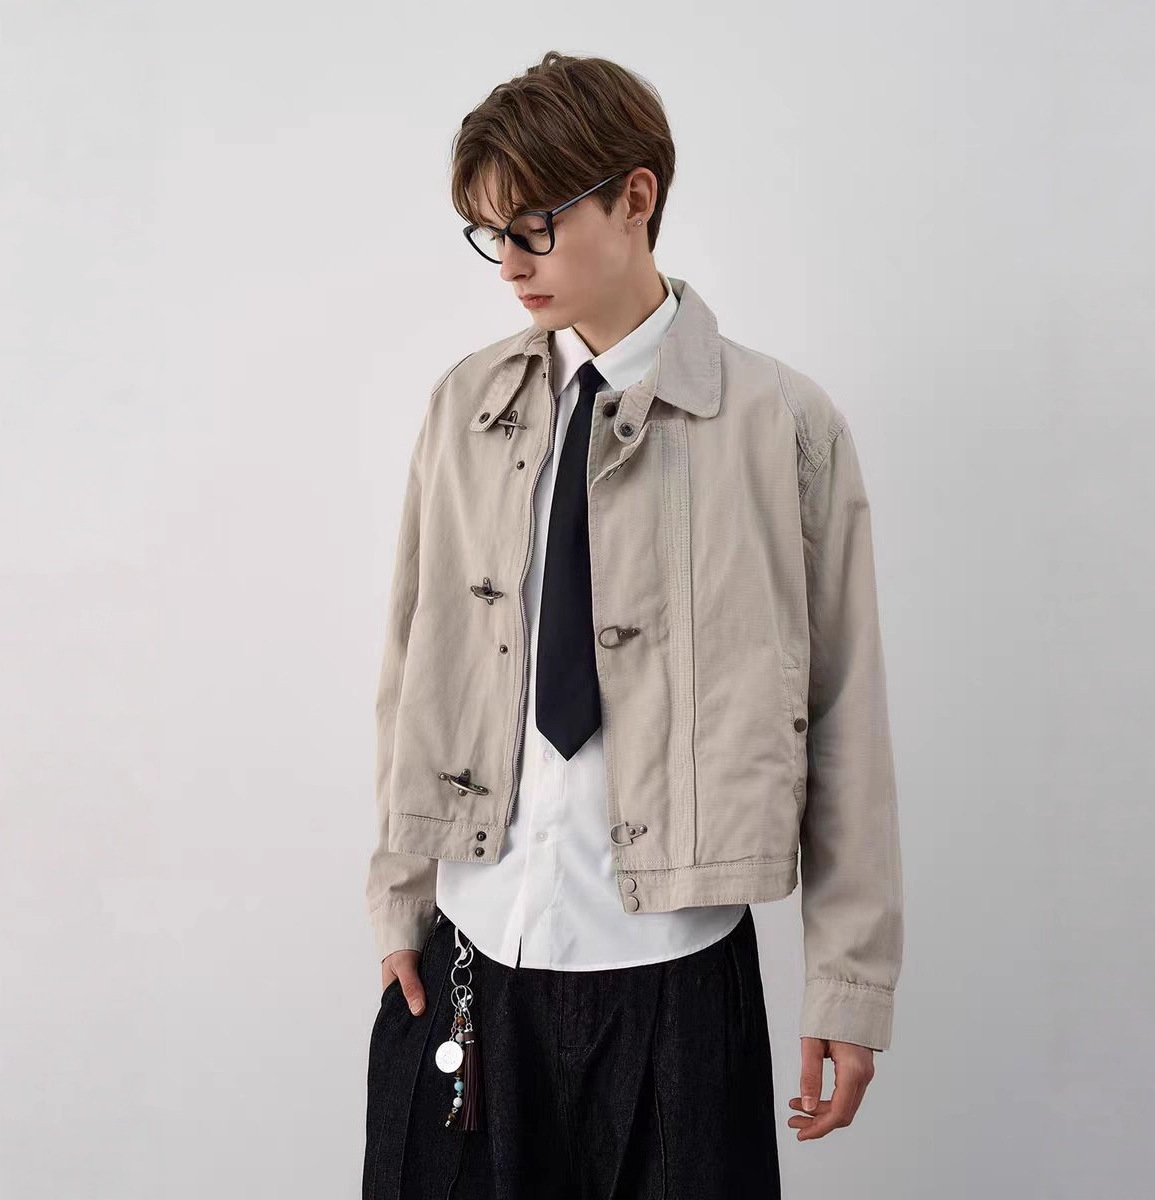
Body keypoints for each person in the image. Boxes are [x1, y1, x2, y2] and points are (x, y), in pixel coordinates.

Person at [362, 50, 903, 1200]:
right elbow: (416, 659)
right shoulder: (465, 406)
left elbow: (846, 710)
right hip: (467, 959)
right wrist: (399, 897)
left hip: (675, 978)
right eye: (489, 235)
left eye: (534, 227)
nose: (511, 264)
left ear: (635, 197)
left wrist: (848, 984)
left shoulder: (782, 426)